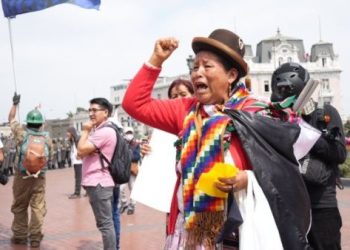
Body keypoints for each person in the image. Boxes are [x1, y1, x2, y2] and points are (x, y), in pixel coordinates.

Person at [122, 29, 317, 249]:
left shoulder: (257, 113)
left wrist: (248, 179)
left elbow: (282, 173)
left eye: (207, 66)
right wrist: (156, 60)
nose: (197, 73)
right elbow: (134, 104)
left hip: (238, 233)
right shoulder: (185, 111)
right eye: (195, 67)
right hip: (189, 232)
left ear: (231, 75)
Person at [270, 62, 347, 250]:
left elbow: (339, 153)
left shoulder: (324, 113)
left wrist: (304, 131)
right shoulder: (273, 117)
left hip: (321, 204)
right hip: (288, 205)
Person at [8, 92, 52, 248]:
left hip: (21, 176)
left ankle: (20, 236)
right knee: (37, 207)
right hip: (39, 178)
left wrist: (15, 104)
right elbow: (50, 157)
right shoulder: (46, 138)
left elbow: (11, 119)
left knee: (20, 206)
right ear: (40, 124)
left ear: (27, 123)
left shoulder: (22, 134)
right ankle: (35, 237)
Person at [77, 97, 116, 250]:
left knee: (106, 224)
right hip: (98, 182)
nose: (91, 113)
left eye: (95, 110)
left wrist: (85, 130)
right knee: (105, 223)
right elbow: (81, 152)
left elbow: (80, 151)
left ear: (105, 112)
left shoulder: (104, 131)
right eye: (90, 110)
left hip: (99, 182)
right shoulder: (101, 130)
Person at [119, 126, 141, 215]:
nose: (129, 135)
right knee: (120, 189)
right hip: (124, 170)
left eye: (130, 133)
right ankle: (124, 203)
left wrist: (127, 156)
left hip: (132, 170)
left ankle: (132, 206)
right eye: (127, 133)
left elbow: (137, 157)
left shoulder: (136, 144)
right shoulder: (122, 144)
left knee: (133, 189)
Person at [66, 127, 83, 199]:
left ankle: (77, 193)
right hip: (75, 161)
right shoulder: (73, 140)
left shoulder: (78, 139)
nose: (67, 134)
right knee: (78, 177)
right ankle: (86, 191)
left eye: (68, 132)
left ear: (72, 132)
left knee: (78, 177)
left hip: (79, 161)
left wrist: (80, 155)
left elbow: (82, 148)